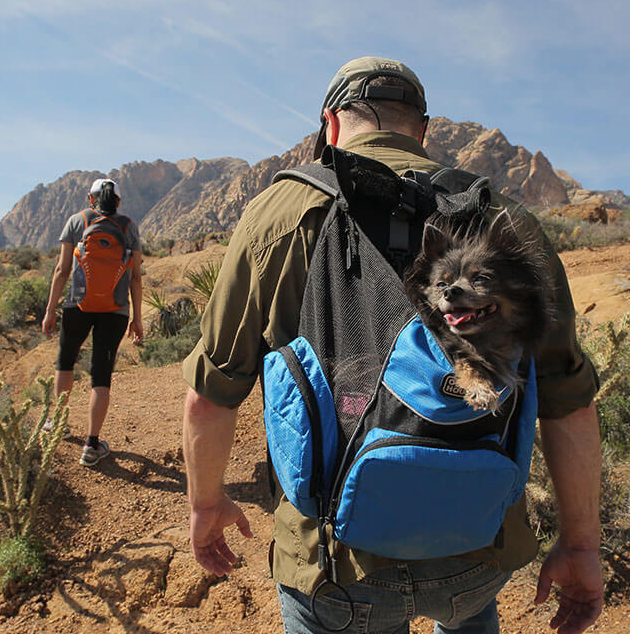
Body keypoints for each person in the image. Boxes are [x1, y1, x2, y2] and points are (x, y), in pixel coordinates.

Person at [181, 57, 603, 634]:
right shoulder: (505, 223)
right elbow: (567, 401)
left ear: (330, 126)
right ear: (423, 131)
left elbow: (212, 395)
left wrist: (206, 505)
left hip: (333, 562)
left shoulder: (277, 216)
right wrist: (580, 545)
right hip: (475, 548)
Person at [42, 178, 144, 466]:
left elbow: (62, 269)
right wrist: (137, 318)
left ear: (91, 198)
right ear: (118, 202)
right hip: (116, 309)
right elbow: (136, 277)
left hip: (77, 304)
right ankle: (91, 445)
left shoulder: (77, 221)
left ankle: (58, 423)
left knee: (66, 360)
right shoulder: (128, 227)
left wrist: (50, 309)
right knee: (101, 374)